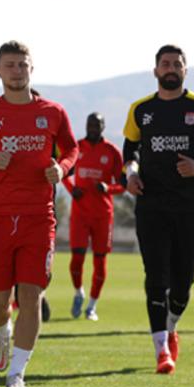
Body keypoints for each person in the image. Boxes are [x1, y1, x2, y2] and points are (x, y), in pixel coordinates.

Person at [0, 40, 78, 387]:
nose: (16, 71)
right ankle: (1, 330)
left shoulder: (53, 112)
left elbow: (71, 149)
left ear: (31, 68)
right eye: (9, 65)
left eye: (22, 65)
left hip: (38, 218)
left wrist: (63, 167)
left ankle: (17, 373)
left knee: (31, 295)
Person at [123, 44, 194, 375]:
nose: (171, 68)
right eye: (165, 64)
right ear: (155, 71)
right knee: (155, 277)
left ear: (185, 70)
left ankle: (172, 327)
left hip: (189, 208)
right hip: (151, 206)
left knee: (183, 283)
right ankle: (161, 350)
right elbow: (129, 151)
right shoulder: (140, 110)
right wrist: (130, 175)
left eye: (177, 63)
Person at [62, 113, 124, 321]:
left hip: (102, 215)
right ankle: (78, 292)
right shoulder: (77, 147)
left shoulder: (112, 152)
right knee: (77, 258)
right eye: (90, 124)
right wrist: (72, 188)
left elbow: (122, 184)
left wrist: (108, 188)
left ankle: (92, 306)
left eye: (97, 125)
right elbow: (63, 172)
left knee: (100, 261)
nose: (93, 128)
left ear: (103, 126)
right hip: (80, 213)